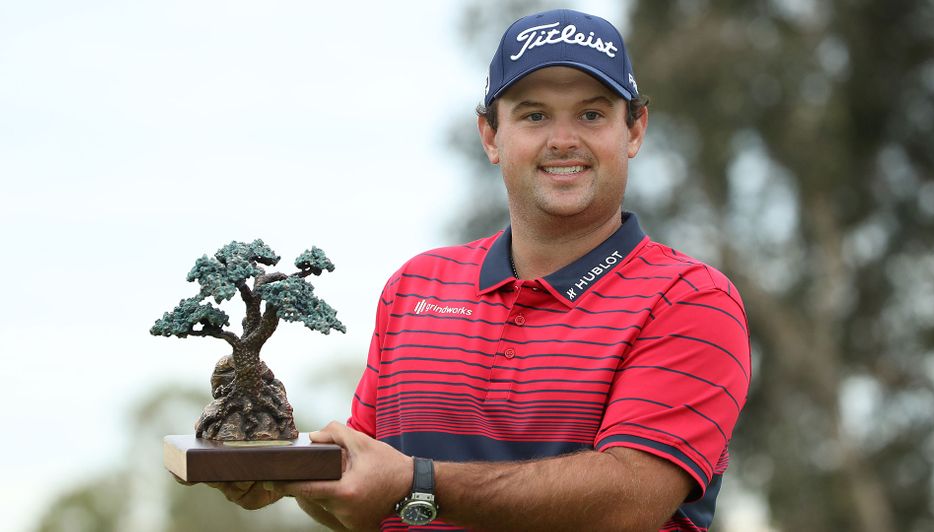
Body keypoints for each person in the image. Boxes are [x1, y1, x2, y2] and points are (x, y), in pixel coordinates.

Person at [206, 9, 751, 531]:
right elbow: (368, 503)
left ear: (634, 131)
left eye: (591, 114)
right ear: (491, 136)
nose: (563, 139)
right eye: (534, 114)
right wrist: (294, 479)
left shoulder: (690, 299)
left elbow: (630, 499)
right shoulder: (414, 287)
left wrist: (416, 481)